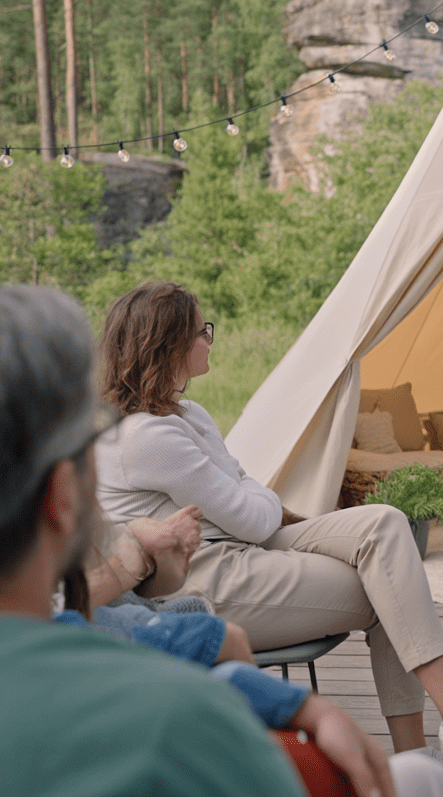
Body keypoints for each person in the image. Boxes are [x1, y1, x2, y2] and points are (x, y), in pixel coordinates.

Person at [93, 280, 443, 778]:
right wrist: (250, 494)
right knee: (390, 585)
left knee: (385, 523)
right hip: (204, 575)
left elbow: (246, 495)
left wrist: (248, 494)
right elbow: (252, 515)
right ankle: (442, 737)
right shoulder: (146, 436)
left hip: (241, 545)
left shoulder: (189, 414)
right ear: (170, 346)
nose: (208, 339)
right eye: (201, 331)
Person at [0, 284, 389, 797]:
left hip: (210, 578)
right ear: (61, 496)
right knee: (413, 772)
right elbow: (248, 512)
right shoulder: (171, 723)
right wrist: (302, 710)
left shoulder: (189, 418)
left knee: (381, 542)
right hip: (223, 577)